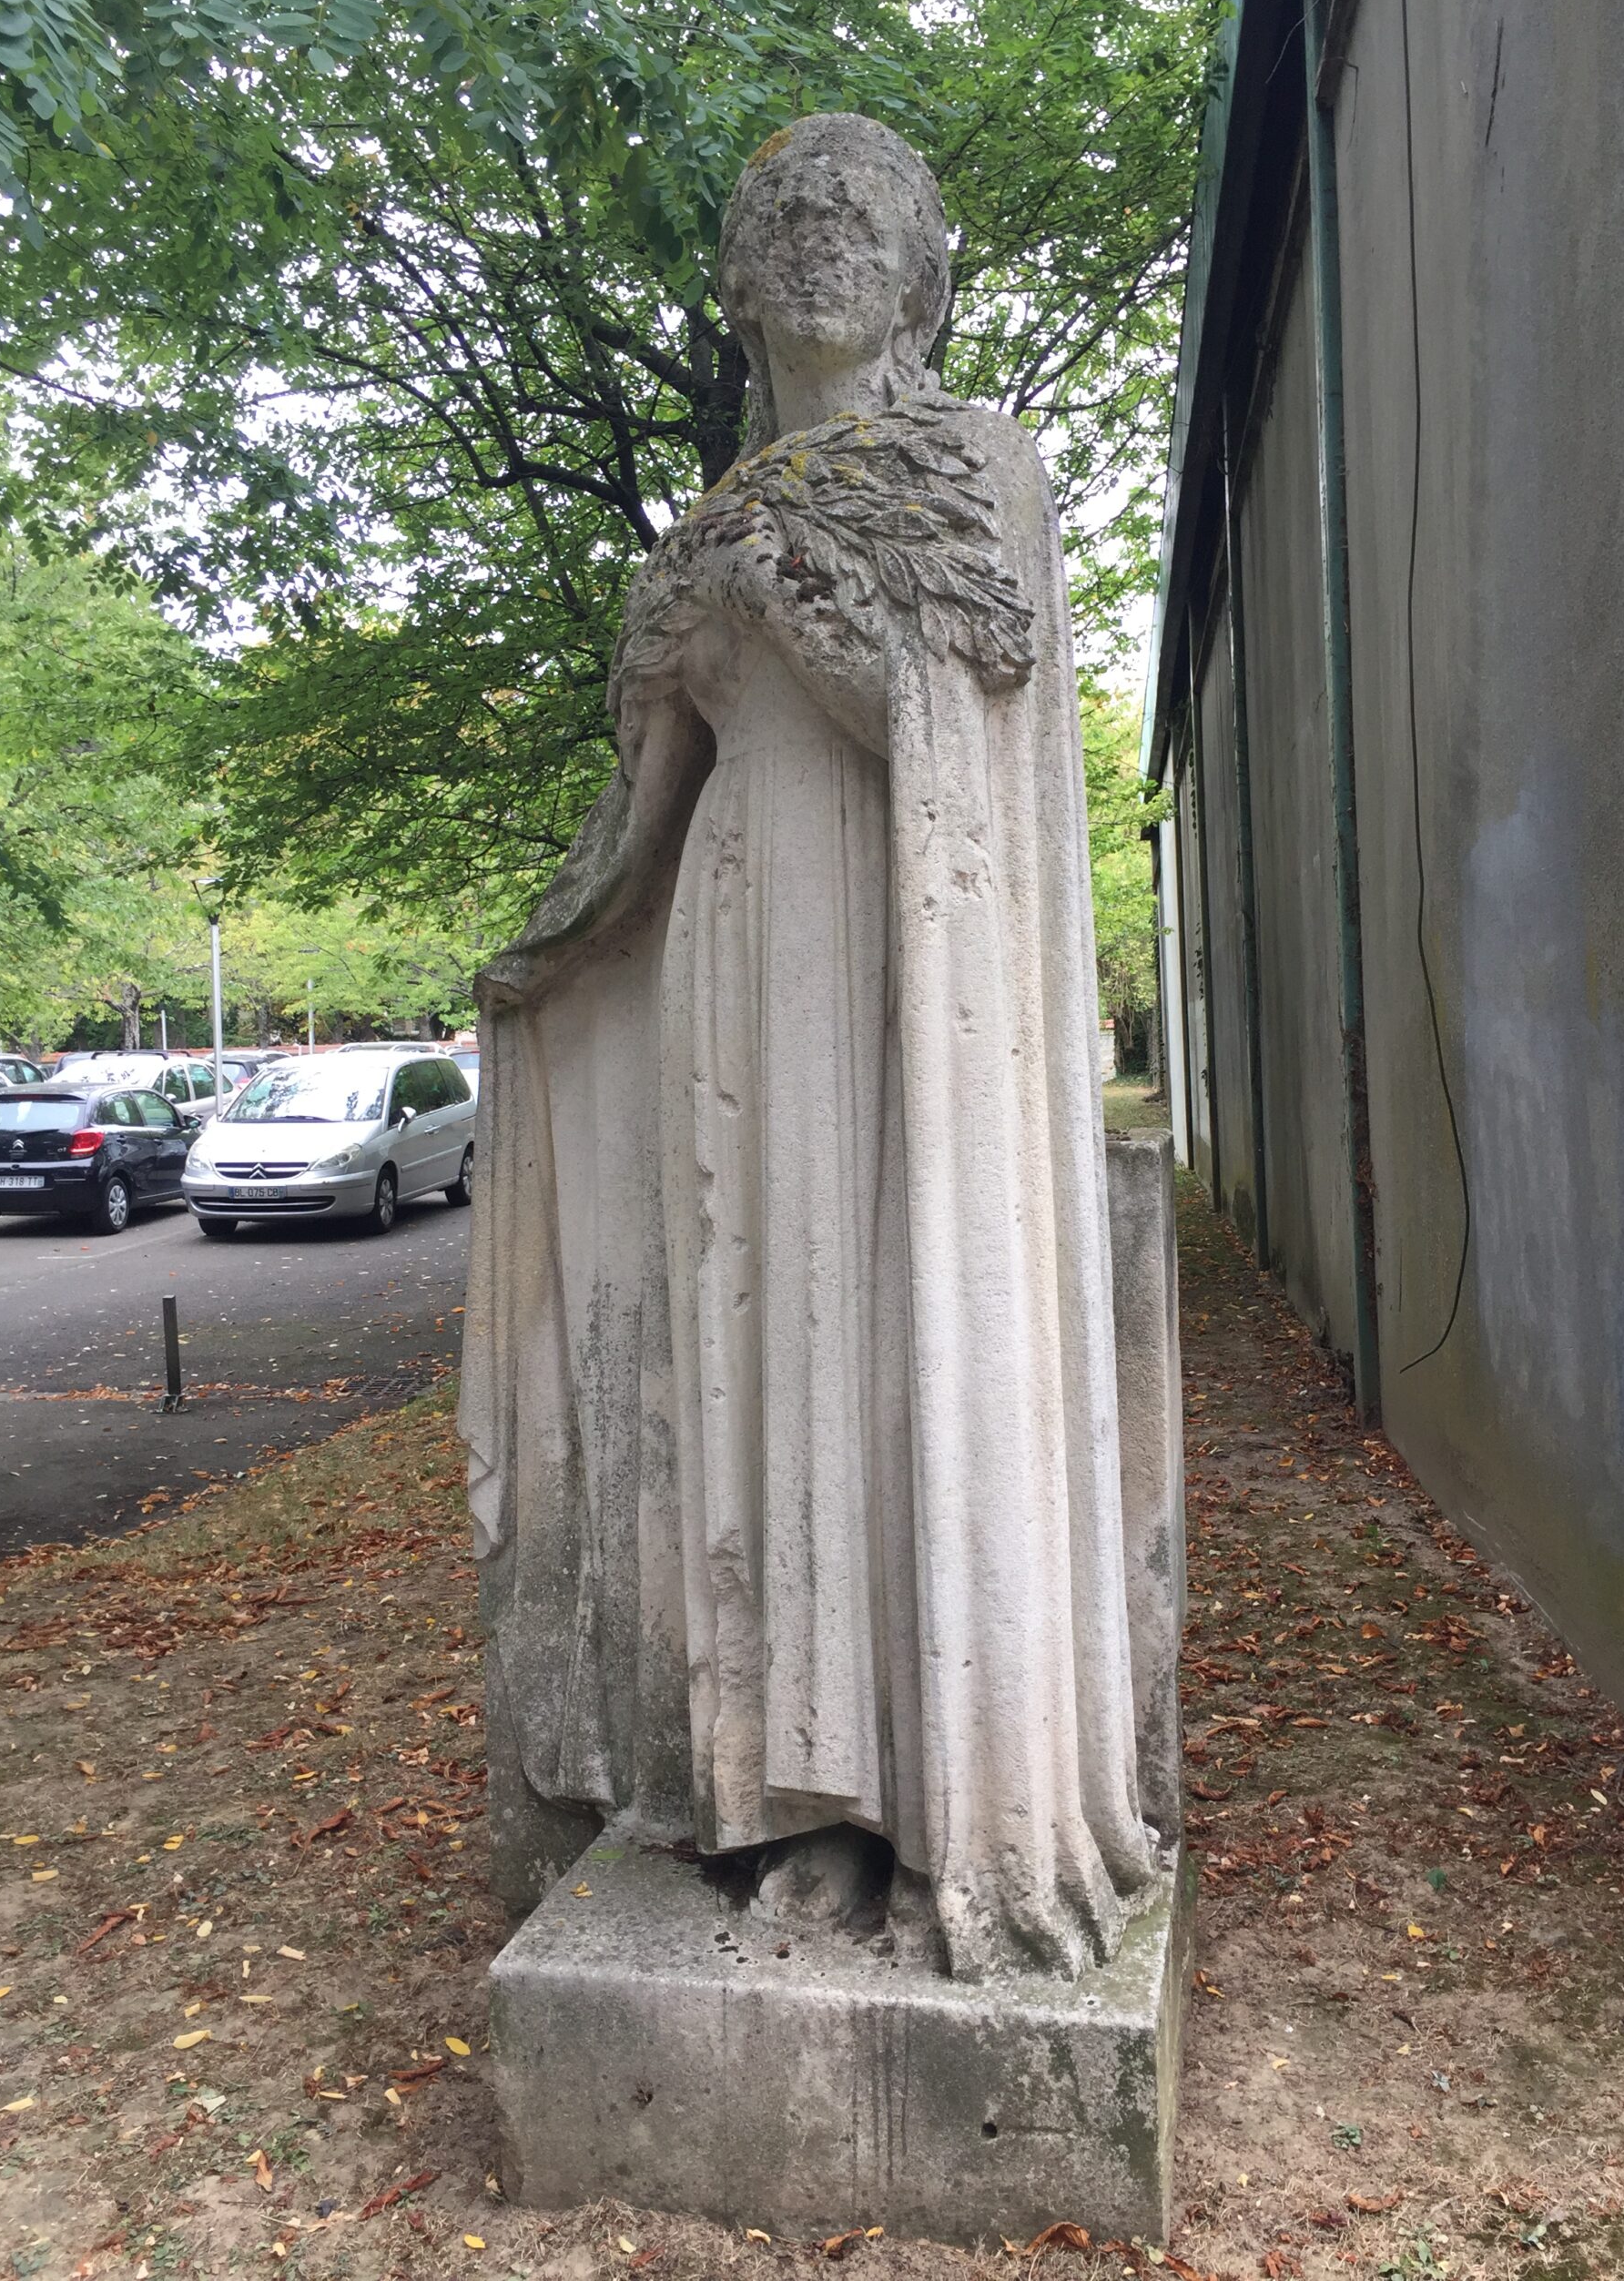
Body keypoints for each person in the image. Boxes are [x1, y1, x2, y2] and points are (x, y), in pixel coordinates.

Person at [461, 115, 1159, 1982]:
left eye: (862, 214)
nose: (822, 237)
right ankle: (801, 1798)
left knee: (904, 1342)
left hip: (911, 962)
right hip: (737, 944)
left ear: (924, 275)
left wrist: (782, 594)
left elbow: (949, 721)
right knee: (763, 1354)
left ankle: (946, 1800)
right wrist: (549, 949)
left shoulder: (978, 465)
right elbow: (645, 807)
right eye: (786, 216)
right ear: (739, 280)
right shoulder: (697, 527)